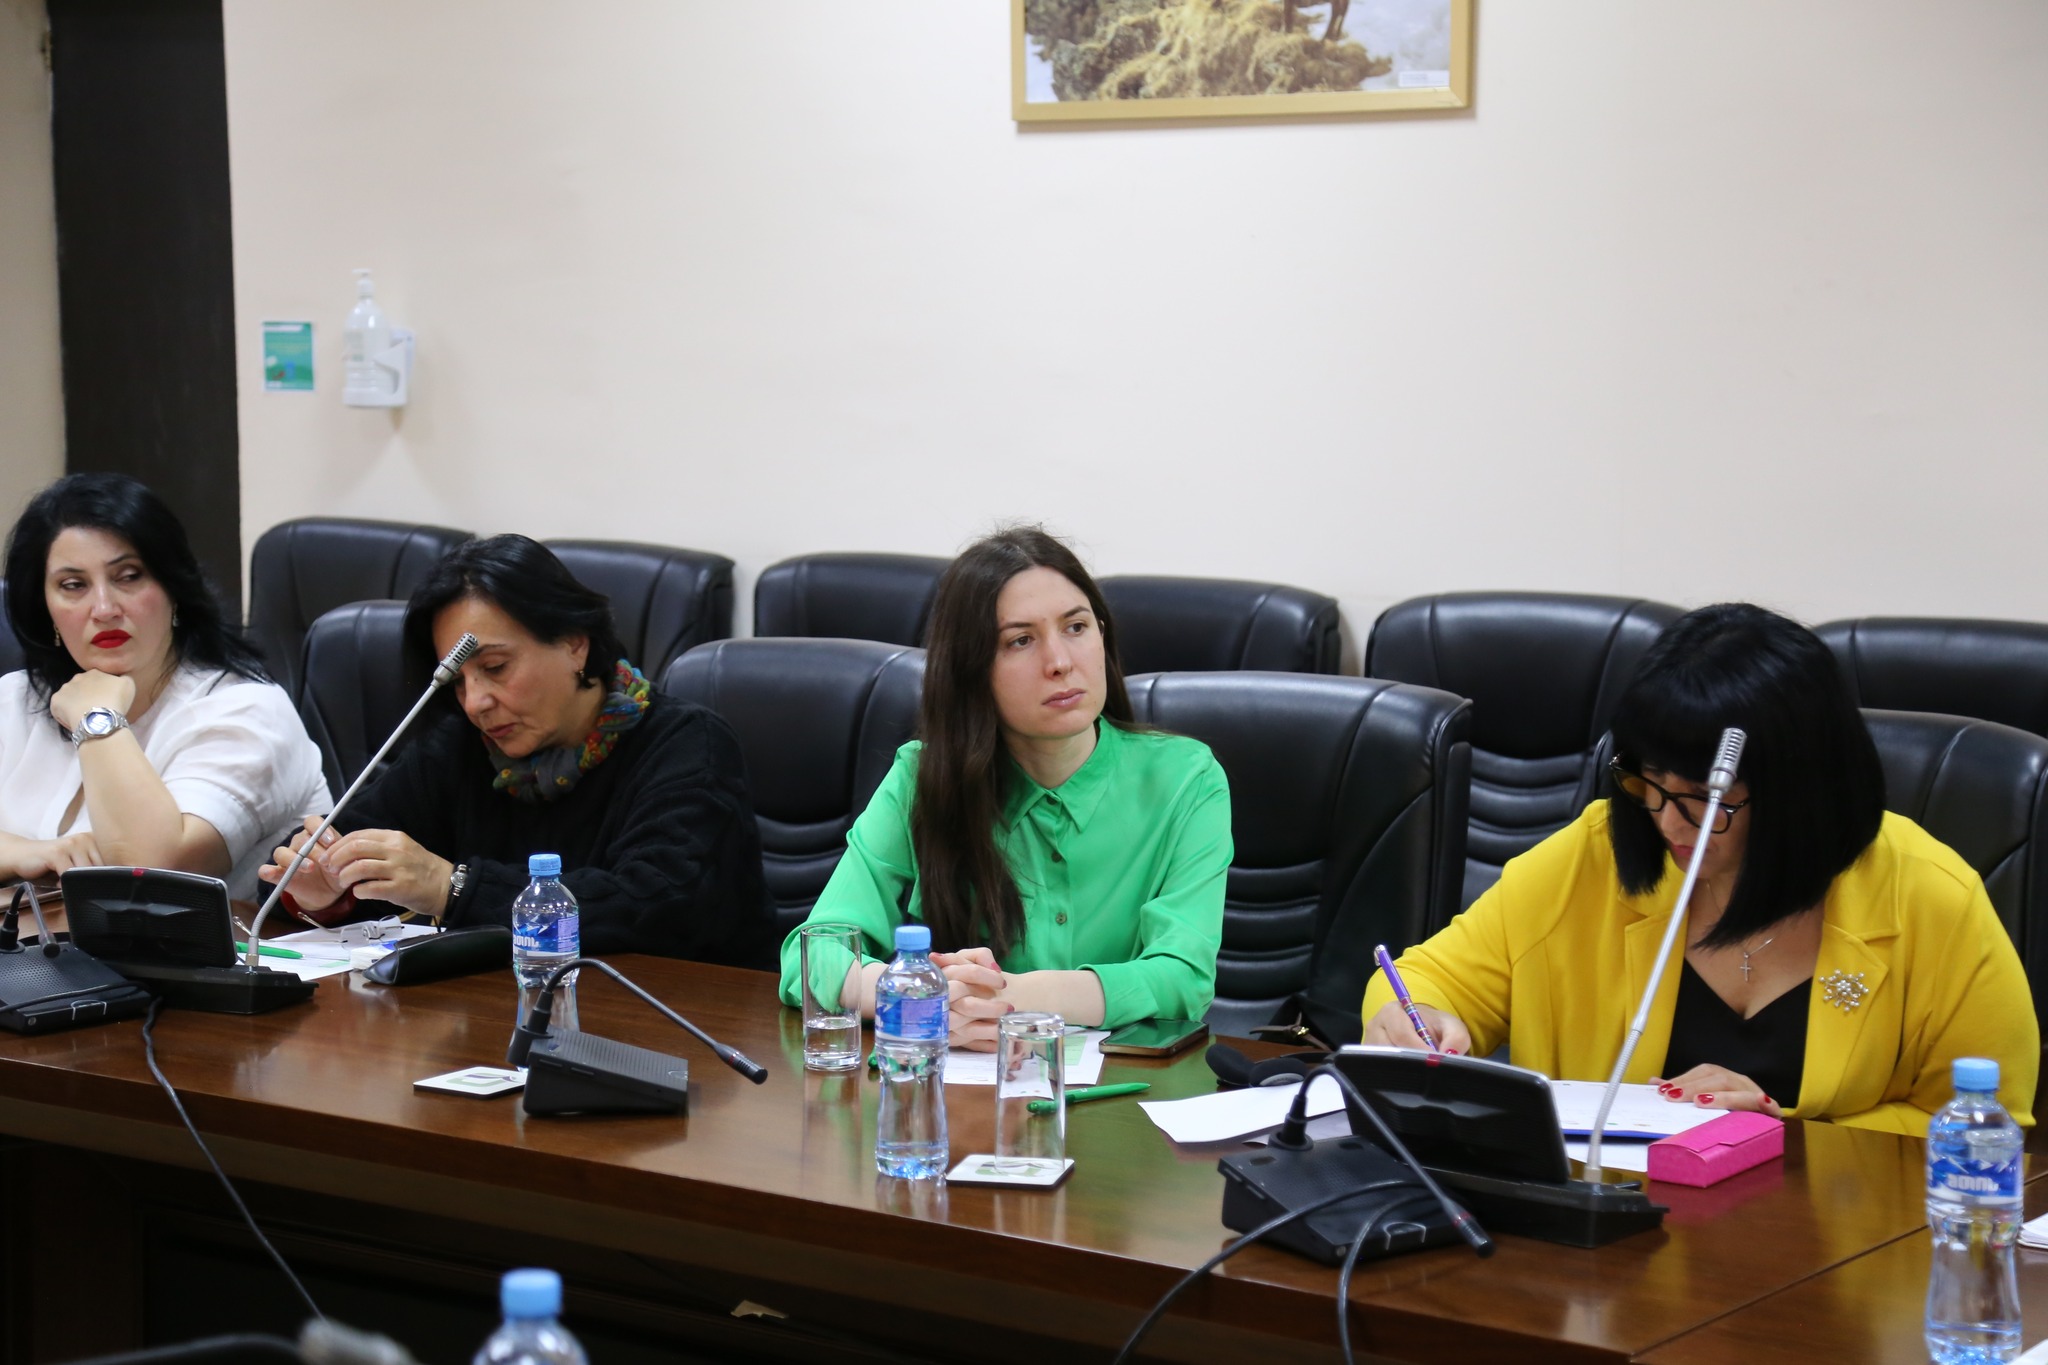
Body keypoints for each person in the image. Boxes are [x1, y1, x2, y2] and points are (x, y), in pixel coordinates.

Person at [1363, 602, 2038, 1134]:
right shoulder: (1592, 858)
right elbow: (1429, 979)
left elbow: (1987, 1126)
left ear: (1800, 791)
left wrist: (1782, 1136)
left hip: (1843, 1251)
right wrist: (1413, 1017)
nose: (1667, 823)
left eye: (1702, 800)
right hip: (1609, 1238)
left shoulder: (1927, 896)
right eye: (1649, 785)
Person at [777, 526, 1232, 1048]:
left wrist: (1009, 997)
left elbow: (1183, 977)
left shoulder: (1186, 779)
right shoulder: (923, 777)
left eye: (1076, 627)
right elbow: (810, 957)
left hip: (1131, 1085)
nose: (1060, 662)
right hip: (959, 1087)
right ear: (971, 670)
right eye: (1020, 640)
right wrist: (922, 994)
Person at [258, 534, 773, 965]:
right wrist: (325, 892)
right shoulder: (460, 748)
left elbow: (660, 908)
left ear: (575, 643)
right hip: (501, 1018)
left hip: (676, 1025)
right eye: (457, 681)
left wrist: (451, 887)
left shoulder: (688, 744)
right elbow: (296, 874)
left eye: (495, 668)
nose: (475, 702)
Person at [0, 474, 331, 897]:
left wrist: (97, 719)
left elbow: (154, 876)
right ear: (43, 606)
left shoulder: (247, 712)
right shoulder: (16, 699)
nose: (104, 608)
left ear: (174, 588)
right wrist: (25, 853)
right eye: (73, 585)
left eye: (128, 576)